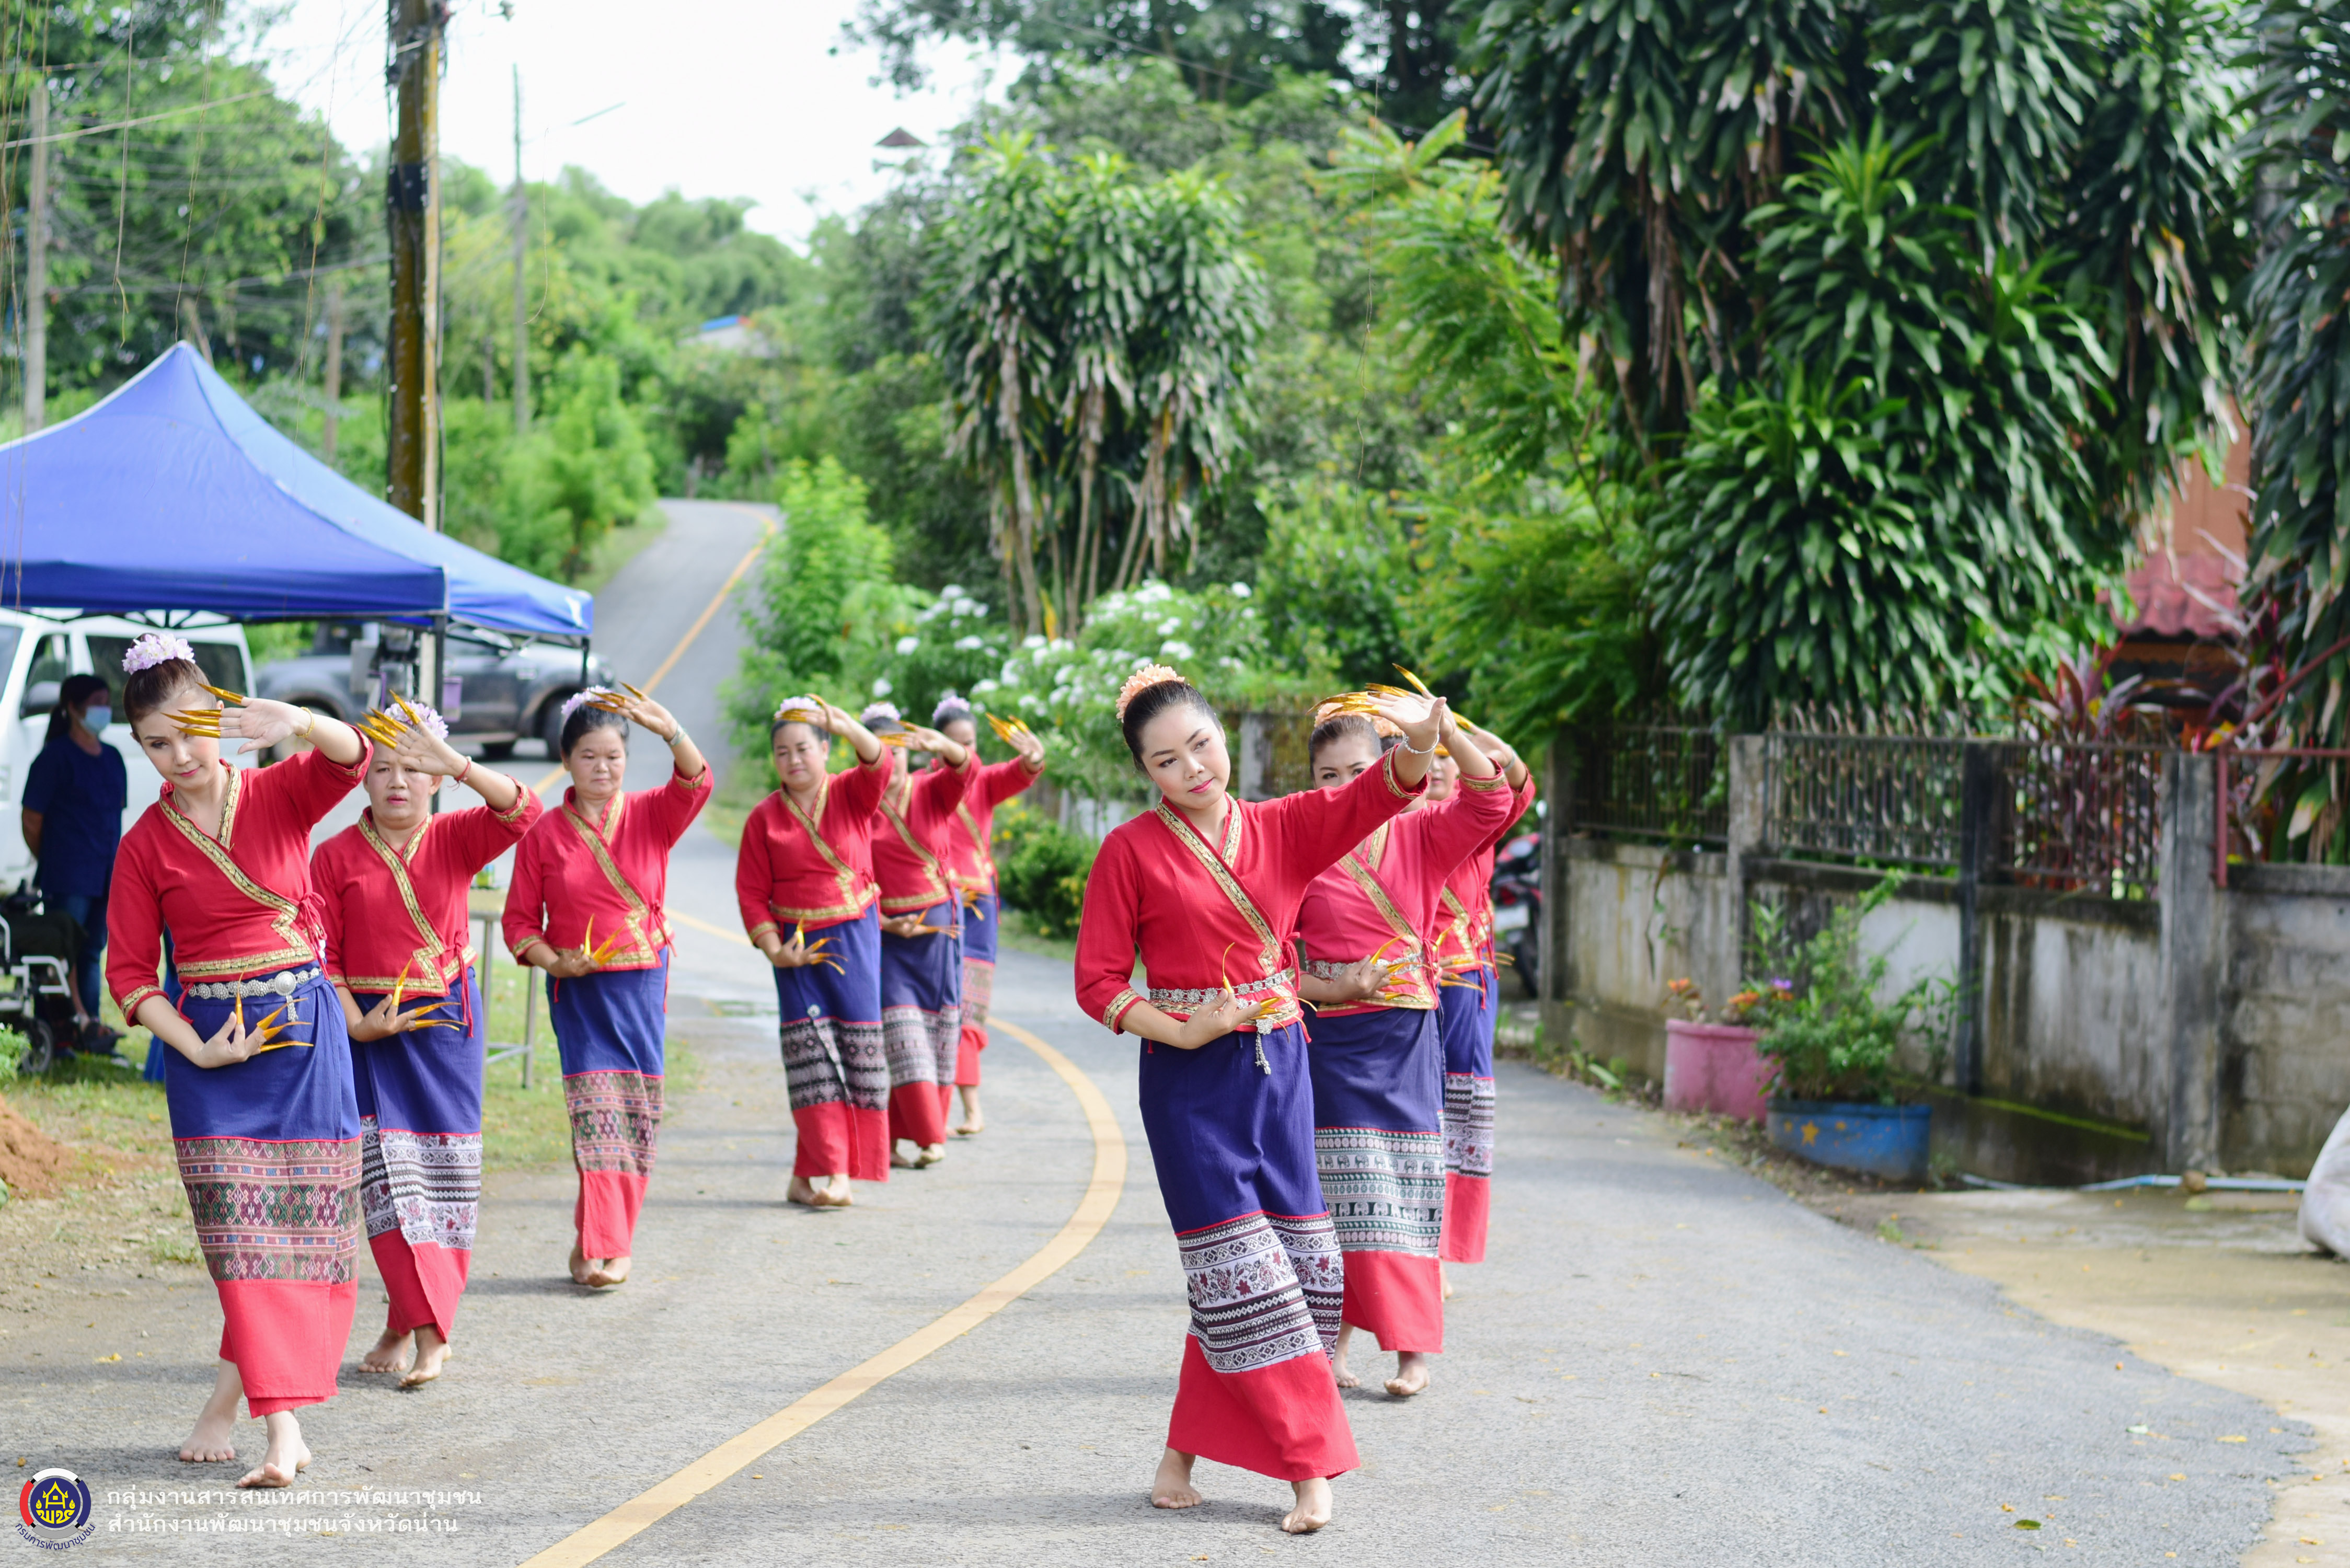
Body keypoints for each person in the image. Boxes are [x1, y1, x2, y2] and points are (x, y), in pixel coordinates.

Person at [1071, 663, 1445, 1536]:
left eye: (1201, 745)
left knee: (1295, 1279)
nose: (1192, 770)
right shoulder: (1129, 850)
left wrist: (1423, 734)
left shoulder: (1286, 826)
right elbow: (1095, 981)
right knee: (1248, 1276)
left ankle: (1179, 1460)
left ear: (1223, 739)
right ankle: (1310, 1469)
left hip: (1281, 1071)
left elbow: (1386, 790)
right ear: (1146, 773)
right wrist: (1182, 1030)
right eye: (1166, 761)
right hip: (1187, 1087)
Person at [103, 632, 369, 1489]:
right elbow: (130, 974)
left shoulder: (278, 791)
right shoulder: (144, 844)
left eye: (192, 730)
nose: (180, 755)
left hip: (302, 1040)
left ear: (220, 713)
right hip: (211, 1060)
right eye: (157, 742)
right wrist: (197, 1048)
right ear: (139, 746)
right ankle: (283, 1429)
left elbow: (354, 757)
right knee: (239, 1241)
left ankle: (232, 1404)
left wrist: (296, 717)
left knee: (293, 1236)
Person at [312, 705, 540, 1387]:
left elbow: (524, 813)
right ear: (362, 779)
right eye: (383, 768)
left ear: (436, 780)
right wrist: (356, 1023)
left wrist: (459, 764)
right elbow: (324, 958)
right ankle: (414, 1324)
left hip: (443, 1029)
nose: (398, 782)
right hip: (370, 1035)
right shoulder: (332, 857)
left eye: (414, 768)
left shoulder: (457, 837)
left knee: (442, 1183)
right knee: (385, 1184)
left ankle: (429, 1332)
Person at [1293, 708, 1508, 1400]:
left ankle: (1413, 1351)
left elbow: (1494, 797)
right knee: (1335, 1199)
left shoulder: (1423, 829)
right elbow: (1273, 959)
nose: (1348, 787)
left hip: (1408, 1035)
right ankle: (1329, 1345)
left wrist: (1441, 734)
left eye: (1361, 771)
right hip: (1330, 1042)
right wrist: (1333, 987)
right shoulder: (1301, 846)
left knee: (1405, 1191)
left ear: (1388, 769)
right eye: (1330, 776)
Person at [503, 687, 707, 1288]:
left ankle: (598, 1238)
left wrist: (670, 731)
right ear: (566, 761)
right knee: (595, 1115)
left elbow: (696, 784)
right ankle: (607, 1247)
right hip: (579, 996)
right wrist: (553, 962)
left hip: (641, 987)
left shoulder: (650, 813)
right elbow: (519, 923)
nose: (603, 768)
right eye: (589, 756)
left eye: (614, 756)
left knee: (634, 1114)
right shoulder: (543, 835)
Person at [733, 696, 891, 1207]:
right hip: (796, 950)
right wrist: (774, 949)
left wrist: (847, 724)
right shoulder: (762, 819)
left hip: (854, 939)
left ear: (825, 749)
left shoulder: (851, 792)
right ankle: (834, 1175)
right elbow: (751, 893)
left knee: (854, 1052)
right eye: (782, 752)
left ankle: (812, 1174)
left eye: (803, 748)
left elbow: (880, 763)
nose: (793, 760)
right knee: (811, 1057)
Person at [1428, 734, 1537, 1279]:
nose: (1442, 769)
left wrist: (1487, 744)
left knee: (1461, 1107)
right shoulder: (1388, 828)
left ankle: (1440, 1248)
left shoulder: (1475, 817)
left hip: (1469, 982)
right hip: (1410, 981)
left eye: (1451, 760)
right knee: (1417, 1109)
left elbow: (1517, 787)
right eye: (1432, 757)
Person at [863, 701, 977, 1168]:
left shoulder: (933, 792)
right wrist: (884, 922)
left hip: (939, 932)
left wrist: (942, 743)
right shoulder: (855, 806)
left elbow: (965, 768)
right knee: (903, 1038)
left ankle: (891, 1142)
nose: (889, 764)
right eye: (878, 754)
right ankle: (932, 1138)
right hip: (888, 937)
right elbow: (848, 878)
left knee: (936, 1038)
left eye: (898, 753)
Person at [928, 690, 1046, 1136]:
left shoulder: (985, 783)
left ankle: (972, 1109)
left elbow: (1023, 771)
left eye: (972, 742)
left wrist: (1035, 756)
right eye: (956, 742)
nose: (966, 751)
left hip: (979, 909)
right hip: (937, 905)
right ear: (937, 745)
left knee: (971, 1005)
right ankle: (931, 1116)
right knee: (942, 1004)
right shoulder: (921, 785)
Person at [22, 672, 129, 1050]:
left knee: (91, 951)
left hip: (104, 873)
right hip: (67, 875)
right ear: (73, 708)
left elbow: (115, 815)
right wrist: (51, 858)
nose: (104, 710)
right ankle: (60, 1031)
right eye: (97, 703)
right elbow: (32, 818)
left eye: (106, 702)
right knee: (58, 954)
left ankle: (91, 1028)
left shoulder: (113, 758)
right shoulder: (55, 758)